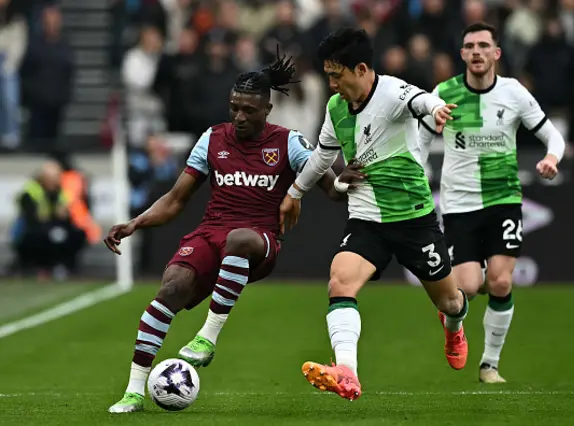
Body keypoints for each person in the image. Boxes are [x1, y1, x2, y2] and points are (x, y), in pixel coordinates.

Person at [104, 50, 365, 413]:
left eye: (249, 110)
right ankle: (134, 391)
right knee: (171, 287)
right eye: (234, 107)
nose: (240, 117)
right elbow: (176, 199)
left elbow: (331, 190)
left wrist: (344, 184)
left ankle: (207, 338)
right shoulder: (212, 138)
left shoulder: (288, 143)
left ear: (267, 111)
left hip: (260, 239)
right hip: (211, 232)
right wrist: (135, 222)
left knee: (238, 239)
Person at [279, 28, 469, 401]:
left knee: (449, 301)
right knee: (340, 282)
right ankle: (347, 372)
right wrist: (294, 193)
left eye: (337, 75)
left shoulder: (393, 93)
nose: (332, 84)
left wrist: (436, 109)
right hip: (367, 218)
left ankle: (455, 325)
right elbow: (321, 156)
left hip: (414, 218)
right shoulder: (336, 108)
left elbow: (421, 102)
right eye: (328, 75)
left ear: (362, 68)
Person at [418, 22, 565, 384]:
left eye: (484, 45)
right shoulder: (443, 93)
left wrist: (552, 158)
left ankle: (489, 365)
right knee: (466, 287)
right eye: (470, 46)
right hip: (459, 206)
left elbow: (552, 135)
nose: (477, 51)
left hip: (504, 199)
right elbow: (418, 142)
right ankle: (454, 325)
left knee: (499, 283)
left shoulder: (514, 93)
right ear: (463, 54)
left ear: (496, 53)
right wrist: (419, 176)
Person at [12, 160, 87, 279]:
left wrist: (64, 214)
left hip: (56, 226)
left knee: (77, 234)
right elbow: (32, 219)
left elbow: (68, 217)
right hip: (33, 231)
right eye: (52, 177)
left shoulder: (62, 192)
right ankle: (37, 267)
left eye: (57, 177)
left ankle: (66, 266)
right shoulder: (31, 192)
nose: (55, 180)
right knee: (44, 235)